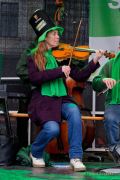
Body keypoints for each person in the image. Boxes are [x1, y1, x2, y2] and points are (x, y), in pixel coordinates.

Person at [26, 9, 105, 171]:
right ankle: (35, 151)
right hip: (44, 101)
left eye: (57, 34)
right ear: (45, 37)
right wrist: (59, 71)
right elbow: (34, 78)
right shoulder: (33, 56)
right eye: (54, 34)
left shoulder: (59, 57)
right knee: (52, 129)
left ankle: (75, 157)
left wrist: (95, 60)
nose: (58, 36)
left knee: (75, 111)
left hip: (61, 99)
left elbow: (81, 76)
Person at [92, 51, 120, 163]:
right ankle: (116, 150)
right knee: (111, 119)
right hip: (115, 103)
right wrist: (104, 80)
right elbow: (95, 83)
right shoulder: (111, 64)